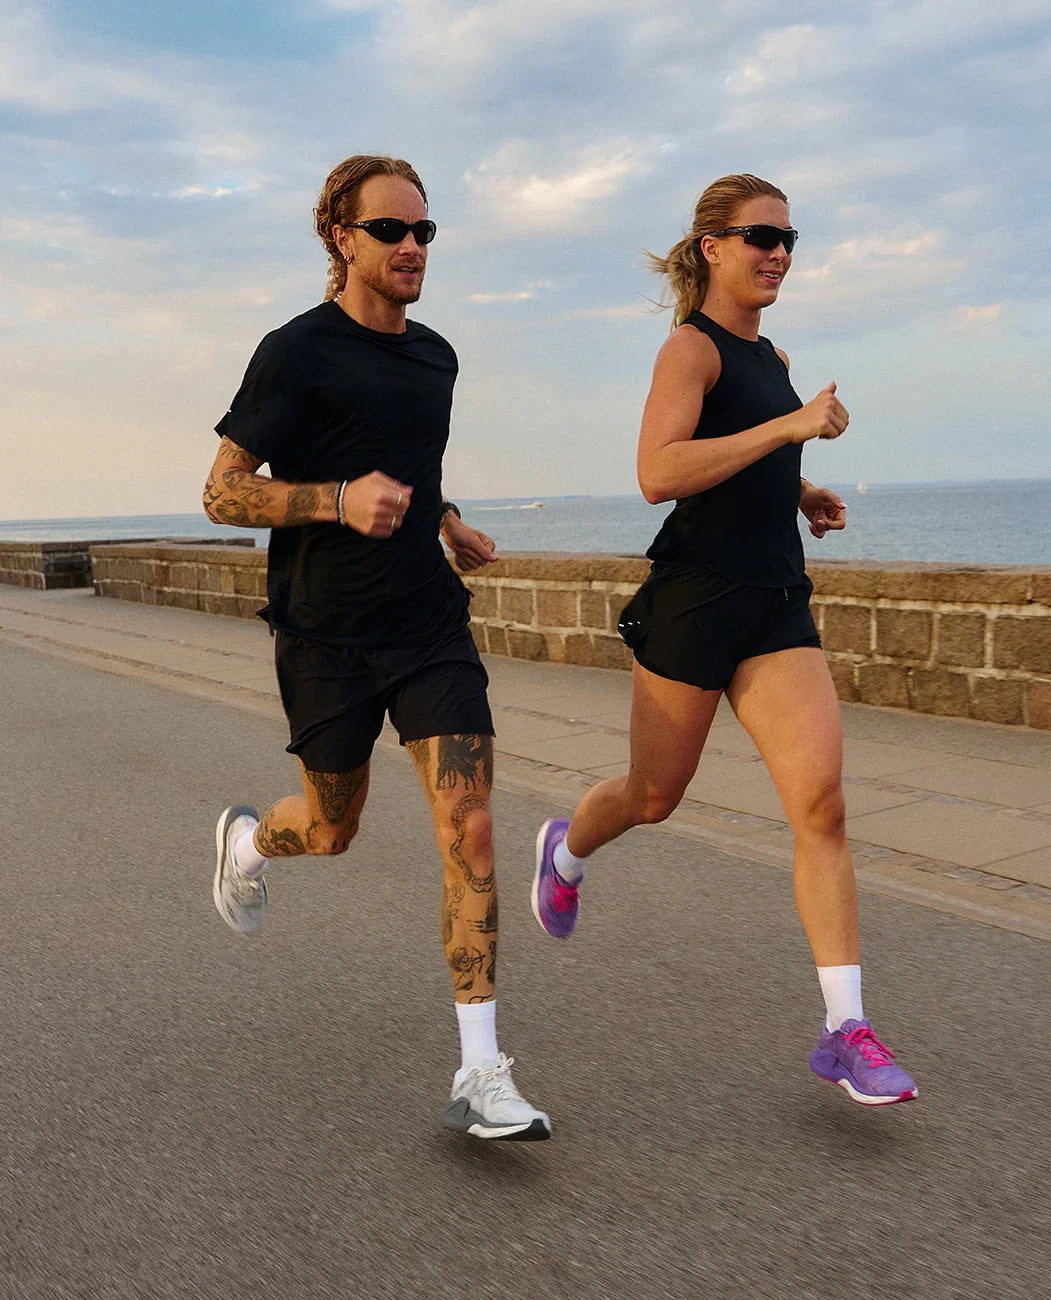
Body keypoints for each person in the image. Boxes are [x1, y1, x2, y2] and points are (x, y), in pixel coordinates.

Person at [530, 174, 917, 1108]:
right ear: (712, 247)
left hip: (775, 603)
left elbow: (744, 457)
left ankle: (845, 1029)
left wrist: (799, 490)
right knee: (654, 796)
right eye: (760, 237)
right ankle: (566, 849)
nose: (779, 253)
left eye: (790, 239)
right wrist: (791, 427)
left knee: (820, 805)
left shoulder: (771, 355)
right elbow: (657, 472)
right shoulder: (689, 352)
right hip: (697, 601)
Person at [203, 154, 551, 1140]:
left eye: (424, 233)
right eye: (392, 230)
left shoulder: (436, 356)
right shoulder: (294, 352)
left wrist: (444, 519)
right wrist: (335, 501)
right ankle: (248, 842)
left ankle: (482, 1074)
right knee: (331, 827)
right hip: (324, 637)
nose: (411, 248)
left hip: (427, 626)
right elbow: (224, 491)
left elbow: (413, 461)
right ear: (339, 237)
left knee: (471, 829)